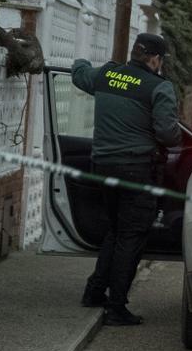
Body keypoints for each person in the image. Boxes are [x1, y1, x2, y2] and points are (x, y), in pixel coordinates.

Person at [71, 33, 181, 325]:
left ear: (134, 52)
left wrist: (81, 56)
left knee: (116, 229)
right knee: (131, 236)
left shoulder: (107, 75)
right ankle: (116, 307)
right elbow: (169, 135)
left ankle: (95, 291)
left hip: (102, 167)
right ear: (156, 59)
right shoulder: (159, 87)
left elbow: (79, 74)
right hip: (135, 171)